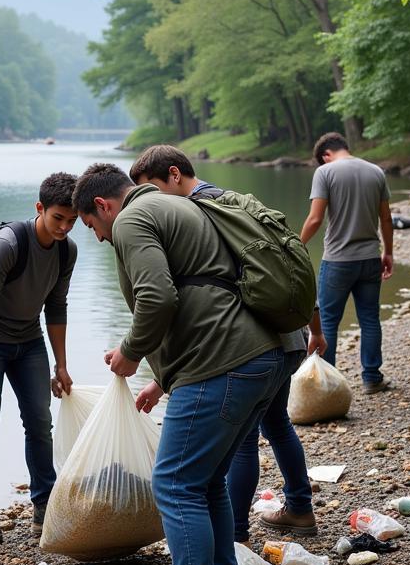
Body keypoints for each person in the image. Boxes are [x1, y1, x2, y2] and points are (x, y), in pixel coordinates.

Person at [73, 163, 284, 565]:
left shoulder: (130, 218)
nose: (100, 239)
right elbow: (199, 290)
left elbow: (158, 295)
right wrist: (163, 376)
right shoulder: (178, 204)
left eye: (92, 228)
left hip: (221, 364)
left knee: (174, 484)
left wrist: (129, 349)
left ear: (103, 206)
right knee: (206, 483)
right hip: (259, 357)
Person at [128, 145, 325, 541]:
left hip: (259, 340)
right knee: (277, 424)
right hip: (286, 334)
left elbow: (218, 301)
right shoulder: (232, 200)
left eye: (152, 190)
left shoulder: (203, 213)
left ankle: (234, 534)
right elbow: (281, 262)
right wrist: (313, 327)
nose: (151, 204)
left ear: (174, 174)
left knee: (243, 442)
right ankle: (300, 508)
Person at [0, 172, 79, 540]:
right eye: (58, 218)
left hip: (29, 340)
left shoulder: (67, 250)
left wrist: (60, 365)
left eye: (72, 221)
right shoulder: (9, 243)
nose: (64, 227)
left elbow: (56, 307)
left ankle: (44, 502)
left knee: (39, 422)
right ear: (40, 208)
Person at [301, 132, 394, 394]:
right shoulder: (376, 171)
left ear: (326, 155)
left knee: (328, 320)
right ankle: (372, 378)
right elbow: (386, 219)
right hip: (369, 258)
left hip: (338, 261)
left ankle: (326, 385)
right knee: (370, 319)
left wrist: (295, 245)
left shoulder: (325, 173)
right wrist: (388, 252)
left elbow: (315, 219)